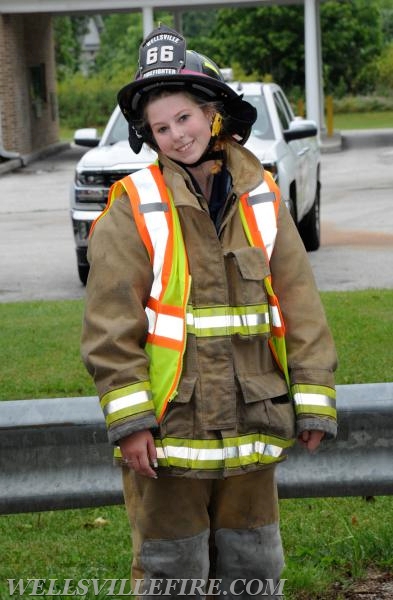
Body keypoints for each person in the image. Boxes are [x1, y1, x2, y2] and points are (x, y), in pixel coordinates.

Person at [81, 24, 337, 600]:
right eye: (160, 128)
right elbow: (108, 328)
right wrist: (131, 423)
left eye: (185, 118)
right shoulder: (132, 208)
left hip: (253, 425)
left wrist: (315, 398)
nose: (175, 135)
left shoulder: (265, 195)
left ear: (215, 112)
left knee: (254, 571)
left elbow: (300, 304)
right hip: (169, 438)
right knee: (173, 576)